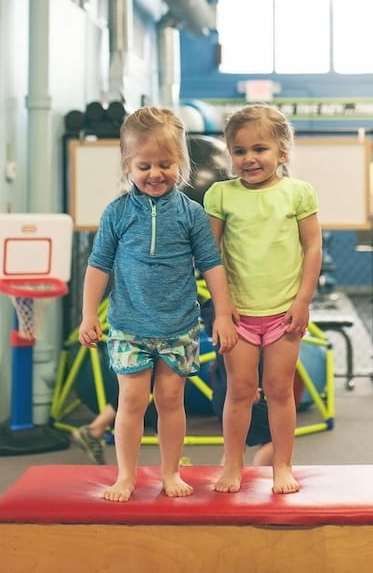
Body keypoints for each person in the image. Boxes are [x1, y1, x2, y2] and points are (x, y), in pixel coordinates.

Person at [79, 106, 237, 502]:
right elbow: (98, 266)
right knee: (130, 400)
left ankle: (170, 472)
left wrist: (222, 314)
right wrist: (87, 314)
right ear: (128, 165)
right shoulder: (117, 213)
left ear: (181, 163)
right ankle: (126, 475)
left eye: (166, 164)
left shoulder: (191, 214)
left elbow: (212, 265)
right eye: (144, 165)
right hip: (129, 325)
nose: (155, 174)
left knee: (170, 401)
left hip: (177, 325)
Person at [203, 103, 322, 494]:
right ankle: (232, 463)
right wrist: (222, 308)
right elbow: (210, 255)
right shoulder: (221, 195)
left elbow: (313, 248)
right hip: (238, 315)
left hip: (284, 314)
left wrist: (303, 300)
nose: (249, 159)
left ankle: (282, 466)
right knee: (239, 391)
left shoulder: (298, 193)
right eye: (239, 151)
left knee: (278, 390)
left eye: (259, 149)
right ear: (229, 155)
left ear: (281, 152)